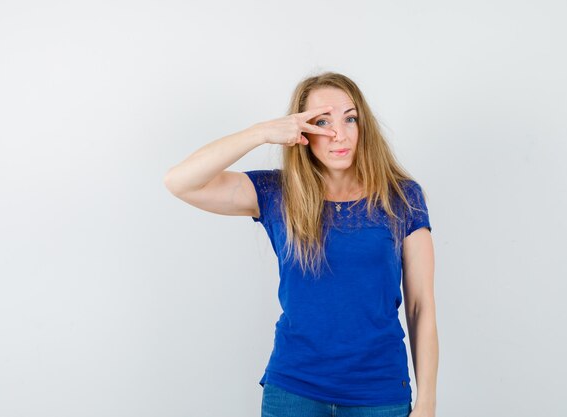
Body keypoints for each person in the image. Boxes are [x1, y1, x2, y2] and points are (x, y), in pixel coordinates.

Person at [164, 71, 438, 417]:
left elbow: (420, 306)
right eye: (322, 121)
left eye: (350, 119)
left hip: (379, 391)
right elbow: (180, 182)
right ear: (302, 131)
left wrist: (427, 401)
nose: (339, 134)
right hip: (294, 391)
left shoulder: (400, 197)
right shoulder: (279, 194)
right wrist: (261, 133)